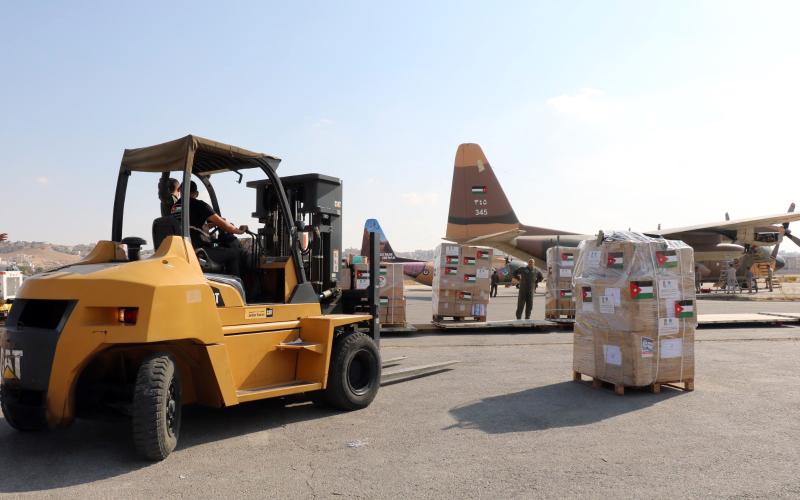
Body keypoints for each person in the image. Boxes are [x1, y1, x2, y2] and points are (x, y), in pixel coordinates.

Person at [172, 181, 248, 276]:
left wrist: (213, 224)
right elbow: (225, 225)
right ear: (196, 193)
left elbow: (191, 225)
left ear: (180, 191)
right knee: (234, 254)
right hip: (198, 252)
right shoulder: (199, 205)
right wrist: (240, 231)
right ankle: (237, 284)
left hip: (182, 251)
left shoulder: (175, 208)